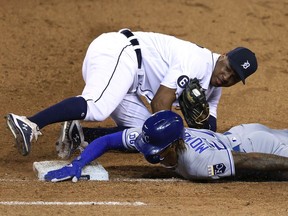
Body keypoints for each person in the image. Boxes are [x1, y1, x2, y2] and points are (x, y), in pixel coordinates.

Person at [5, 28, 258, 157]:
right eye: (228, 69)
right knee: (97, 107)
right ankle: (29, 123)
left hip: (128, 80)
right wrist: (177, 138)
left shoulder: (214, 89)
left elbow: (208, 126)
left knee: (147, 136)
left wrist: (205, 136)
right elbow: (161, 102)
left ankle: (80, 134)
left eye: (235, 77)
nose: (227, 77)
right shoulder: (197, 61)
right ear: (223, 56)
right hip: (119, 53)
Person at [44, 110, 288, 182]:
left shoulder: (197, 165)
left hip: (261, 146)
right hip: (240, 133)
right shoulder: (150, 133)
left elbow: (248, 161)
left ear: (176, 144)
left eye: (159, 151)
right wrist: (79, 163)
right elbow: (107, 140)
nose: (152, 154)